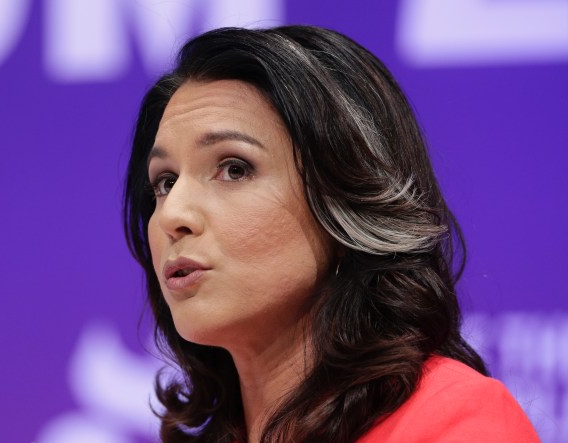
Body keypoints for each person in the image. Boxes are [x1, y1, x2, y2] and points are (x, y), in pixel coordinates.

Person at [122, 26, 539, 443]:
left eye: (234, 169)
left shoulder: (455, 421)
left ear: (347, 199)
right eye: (165, 182)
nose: (171, 214)